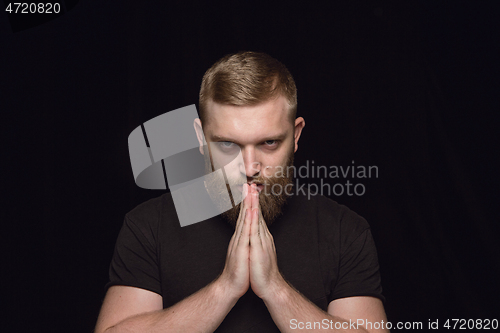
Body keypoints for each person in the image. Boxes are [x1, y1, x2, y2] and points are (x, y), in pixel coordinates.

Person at [95, 51, 389, 332]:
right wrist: (225, 288)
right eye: (227, 145)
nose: (249, 166)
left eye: (269, 143)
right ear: (201, 137)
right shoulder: (148, 226)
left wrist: (276, 290)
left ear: (296, 135)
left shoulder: (344, 231)